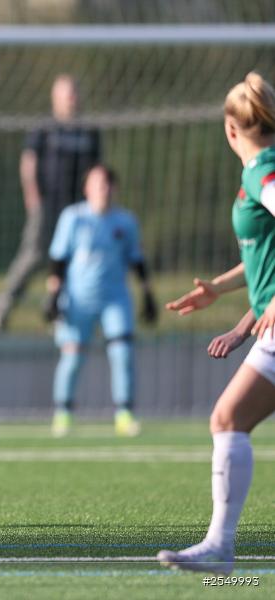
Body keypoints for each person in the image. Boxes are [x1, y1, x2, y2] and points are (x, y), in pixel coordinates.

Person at [157, 72, 275, 574]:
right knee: (229, 419)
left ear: (231, 127)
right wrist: (225, 294)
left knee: (227, 419)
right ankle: (220, 548)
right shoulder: (261, 167)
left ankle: (221, 548)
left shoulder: (260, 171)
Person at [42, 164, 157, 437]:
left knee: (122, 353)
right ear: (87, 189)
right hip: (78, 300)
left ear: (114, 188)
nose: (102, 189)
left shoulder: (125, 221)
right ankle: (63, 413)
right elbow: (58, 259)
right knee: (72, 358)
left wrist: (148, 294)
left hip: (115, 299)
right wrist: (52, 296)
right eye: (97, 184)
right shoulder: (73, 218)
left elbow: (137, 260)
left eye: (107, 184)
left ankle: (125, 414)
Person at [0, 74, 102, 331]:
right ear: (56, 98)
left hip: (78, 210)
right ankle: (2, 310)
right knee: (32, 257)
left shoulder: (90, 131)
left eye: (74, 93)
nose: (71, 99)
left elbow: (97, 169)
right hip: (47, 206)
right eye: (66, 94)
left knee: (75, 262)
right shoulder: (44, 129)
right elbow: (28, 164)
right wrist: (33, 197)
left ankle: (62, 315)